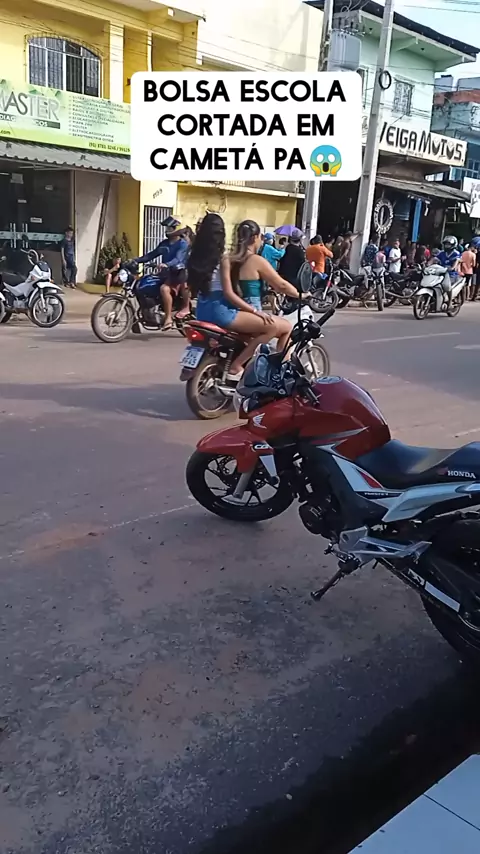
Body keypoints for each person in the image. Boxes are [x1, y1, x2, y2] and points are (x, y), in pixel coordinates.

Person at [188, 215, 297, 382]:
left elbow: (190, 289)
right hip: (222, 312)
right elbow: (229, 294)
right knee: (271, 327)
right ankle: (237, 366)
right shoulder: (225, 259)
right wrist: (255, 311)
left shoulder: (194, 258)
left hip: (201, 311)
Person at [135, 216, 190, 330]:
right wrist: (136, 260)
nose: (167, 230)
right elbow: (151, 255)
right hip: (165, 274)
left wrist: (167, 264)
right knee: (143, 284)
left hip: (178, 275)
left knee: (164, 289)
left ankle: (168, 318)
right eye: (167, 228)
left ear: (177, 229)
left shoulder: (182, 244)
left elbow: (178, 259)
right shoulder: (164, 244)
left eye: (170, 228)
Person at [437, 235, 461, 308]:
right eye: (446, 244)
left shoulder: (456, 253)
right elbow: (434, 259)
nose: (447, 246)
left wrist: (452, 267)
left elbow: (457, 261)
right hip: (441, 273)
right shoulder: (442, 253)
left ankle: (450, 302)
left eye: (449, 244)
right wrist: (428, 264)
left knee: (447, 287)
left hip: (451, 274)